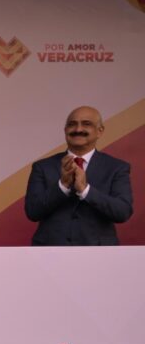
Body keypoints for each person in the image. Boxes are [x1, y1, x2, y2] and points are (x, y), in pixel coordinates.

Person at [25, 105, 132, 245]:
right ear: (65, 130)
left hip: (99, 252)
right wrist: (62, 186)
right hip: (50, 252)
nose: (78, 129)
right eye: (72, 124)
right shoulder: (43, 167)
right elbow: (33, 211)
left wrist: (85, 190)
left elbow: (122, 212)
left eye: (86, 124)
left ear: (100, 131)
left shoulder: (116, 168)